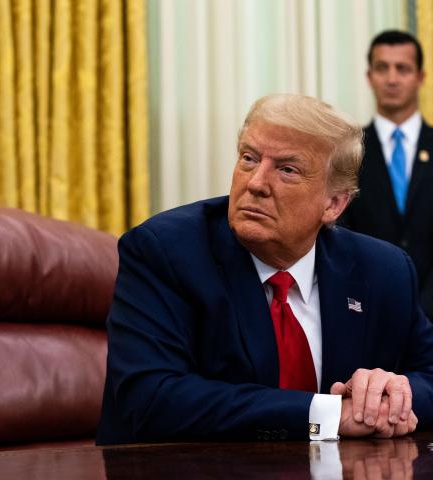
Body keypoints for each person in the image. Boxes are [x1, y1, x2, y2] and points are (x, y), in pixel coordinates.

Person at [97, 94, 433, 445]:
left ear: (334, 203)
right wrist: (327, 415)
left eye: (287, 169)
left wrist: (394, 395)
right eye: (249, 158)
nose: (255, 182)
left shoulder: (383, 271)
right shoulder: (164, 252)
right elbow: (151, 399)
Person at [340, 30, 433, 319]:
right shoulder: (348, 152)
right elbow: (340, 235)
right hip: (369, 311)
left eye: (402, 69)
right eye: (382, 68)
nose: (392, 79)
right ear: (369, 77)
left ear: (420, 77)